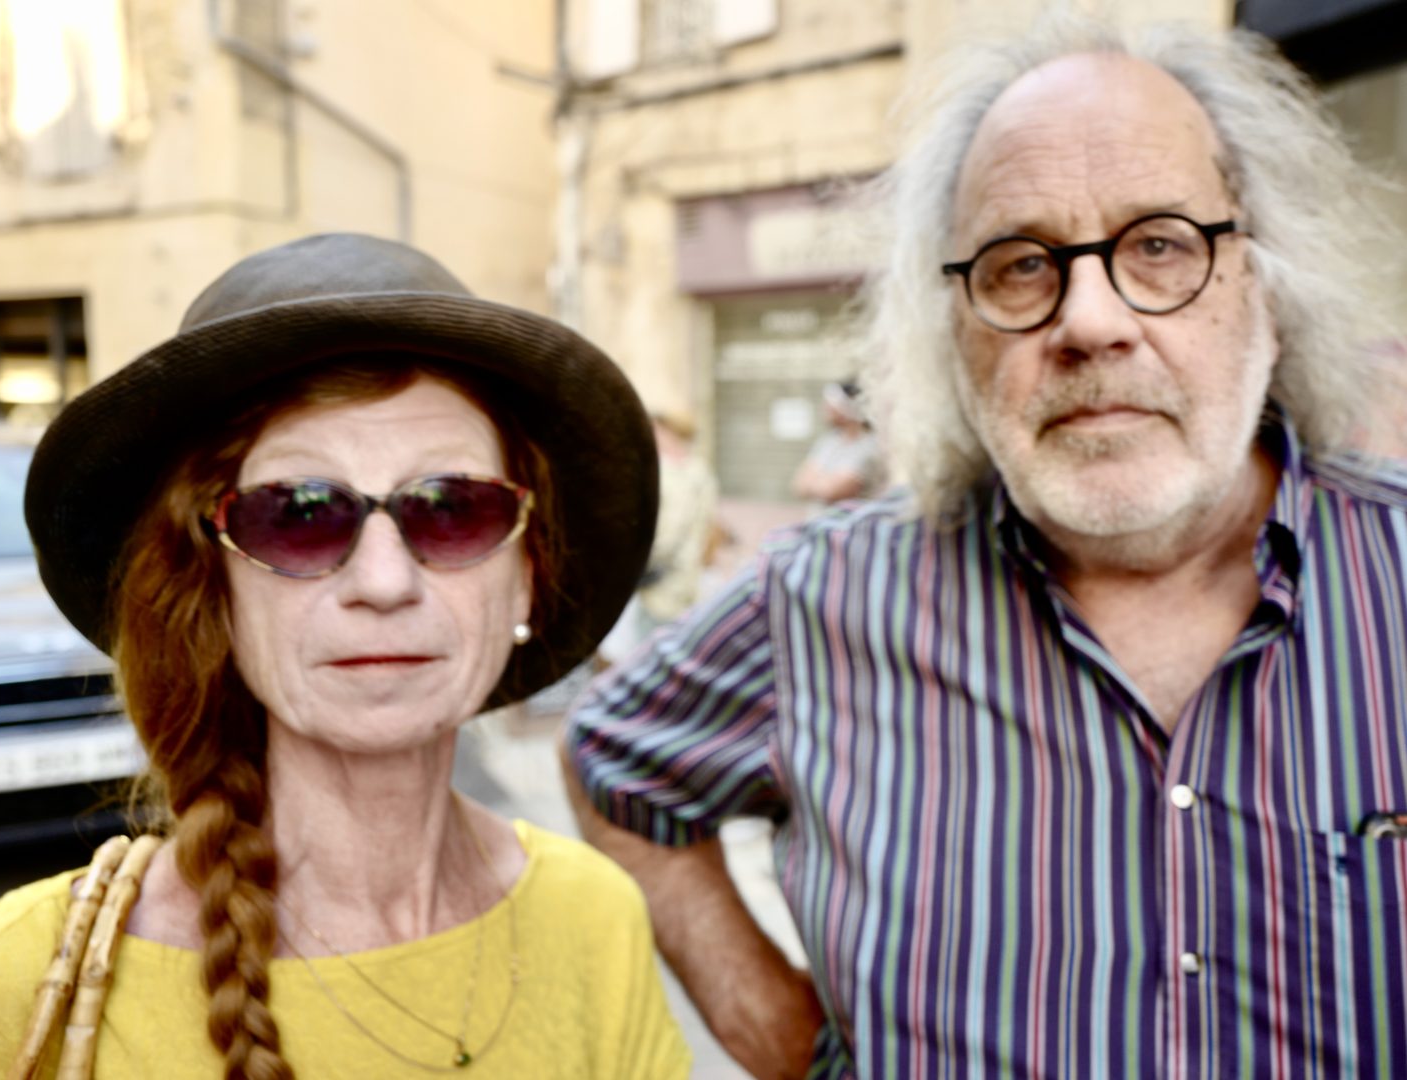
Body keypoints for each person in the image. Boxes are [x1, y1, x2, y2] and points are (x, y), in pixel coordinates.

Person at [564, 11, 1407, 1079]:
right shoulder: (819, 599)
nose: (1089, 321)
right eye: (1019, 265)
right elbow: (611, 764)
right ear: (953, 329)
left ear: (1267, 291)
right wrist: (785, 1040)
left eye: (1159, 246)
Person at [0, 234, 691, 1078]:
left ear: (526, 581)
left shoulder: (595, 921)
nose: (384, 583)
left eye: (451, 508)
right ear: (211, 589)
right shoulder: (18, 979)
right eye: (300, 513)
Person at [599, 411, 720, 665]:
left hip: (659, 587)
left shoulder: (665, 473)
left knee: (648, 657)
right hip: (687, 581)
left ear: (668, 432)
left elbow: (665, 536)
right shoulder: (700, 470)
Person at [790, 380, 884, 506]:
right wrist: (826, 481)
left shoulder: (870, 447)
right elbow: (799, 484)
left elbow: (833, 491)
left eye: (831, 405)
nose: (825, 409)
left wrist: (817, 480)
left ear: (846, 409)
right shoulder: (828, 441)